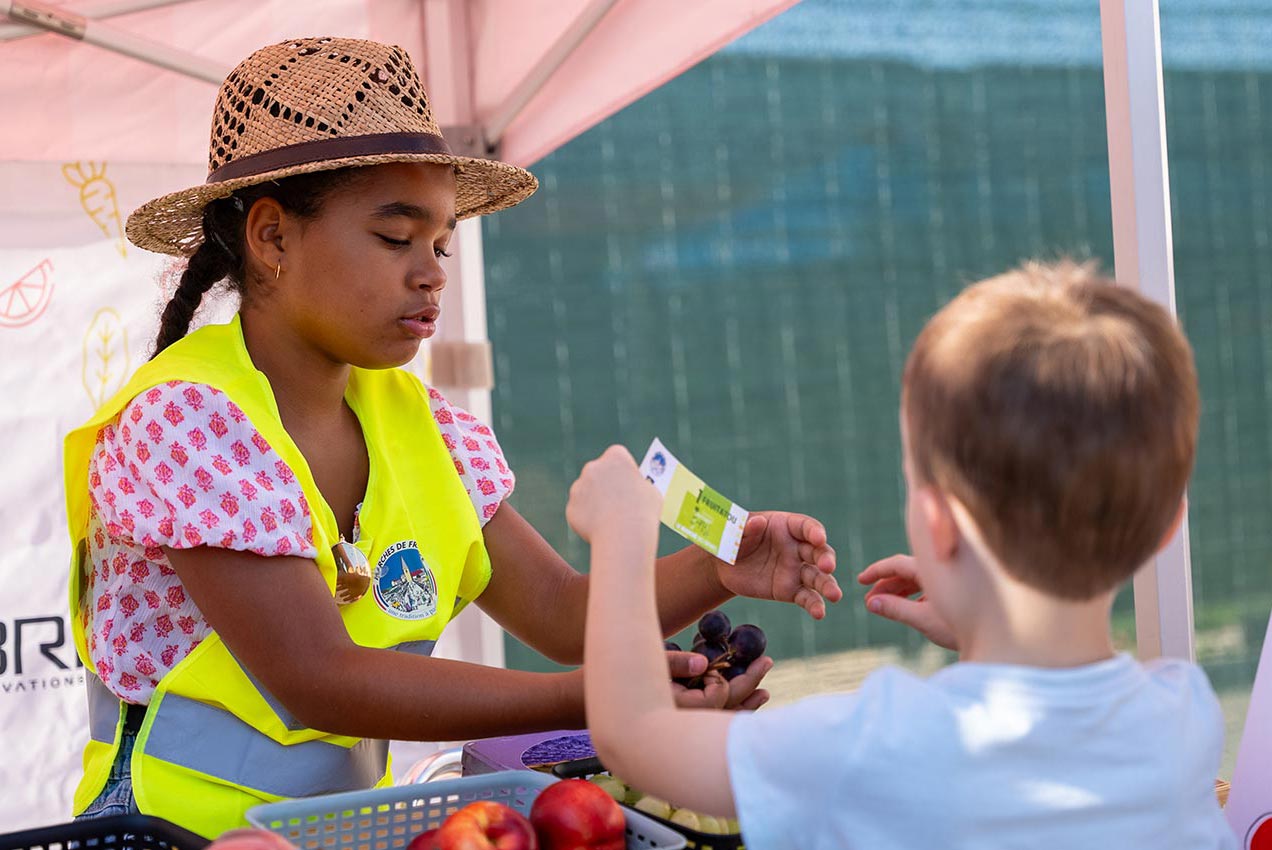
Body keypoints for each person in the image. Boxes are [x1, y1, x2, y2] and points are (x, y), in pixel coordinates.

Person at [62, 37, 841, 837]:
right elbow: (315, 678)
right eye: (396, 239)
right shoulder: (187, 419)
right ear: (272, 238)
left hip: (341, 826)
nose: (432, 272)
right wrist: (610, 695)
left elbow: (566, 614)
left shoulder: (425, 424)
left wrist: (719, 566)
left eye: (441, 243)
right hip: (167, 830)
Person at [574, 260, 1237, 849]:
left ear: (935, 524)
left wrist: (623, 540)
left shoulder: (876, 746)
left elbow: (634, 736)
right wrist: (985, 626)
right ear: (1167, 527)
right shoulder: (1184, 717)